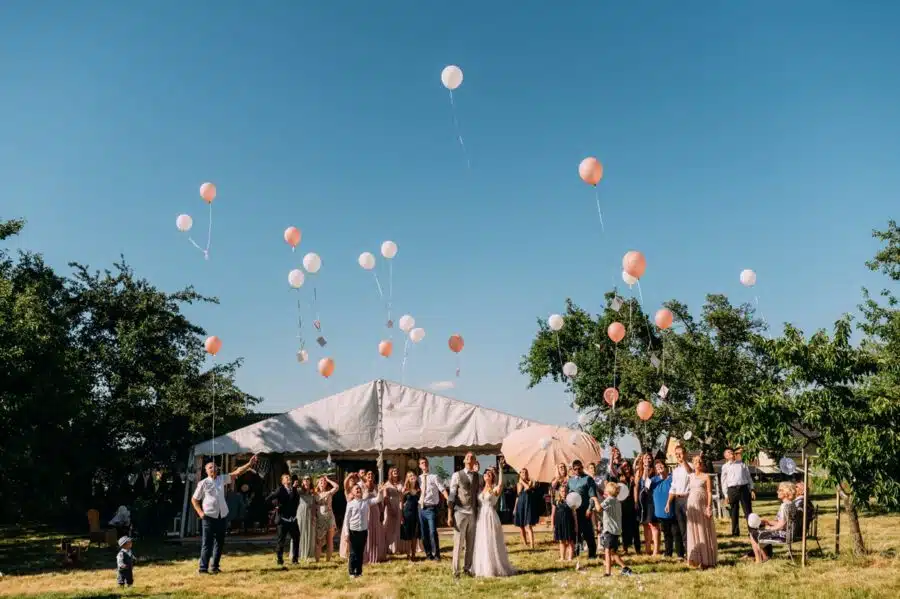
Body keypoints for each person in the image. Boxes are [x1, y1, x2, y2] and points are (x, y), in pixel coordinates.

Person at [191, 455, 258, 574]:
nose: (213, 469)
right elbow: (194, 500)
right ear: (206, 471)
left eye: (215, 467)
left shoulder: (222, 479)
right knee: (207, 543)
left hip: (221, 516)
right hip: (209, 517)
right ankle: (203, 568)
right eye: (210, 467)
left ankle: (215, 567)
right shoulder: (203, 483)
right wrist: (201, 513)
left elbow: (237, 472)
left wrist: (249, 464)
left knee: (219, 543)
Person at [471, 468, 516, 577]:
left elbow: (501, 483)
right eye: (486, 473)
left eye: (490, 474)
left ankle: (494, 567)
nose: (487, 475)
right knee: (482, 540)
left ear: (492, 477)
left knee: (491, 539)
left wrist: (501, 468)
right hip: (481, 516)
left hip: (490, 515)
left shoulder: (495, 488)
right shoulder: (480, 489)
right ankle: (482, 567)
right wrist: (475, 471)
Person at [449, 452, 483, 577]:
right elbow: (452, 495)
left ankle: (467, 568)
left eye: (472, 457)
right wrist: (449, 514)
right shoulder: (456, 475)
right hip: (460, 512)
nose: (470, 458)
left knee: (471, 544)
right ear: (464, 460)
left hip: (473, 513)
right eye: (467, 457)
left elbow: (481, 493)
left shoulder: (478, 477)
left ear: (475, 461)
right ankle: (455, 571)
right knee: (458, 543)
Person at [343, 483, 386, 578]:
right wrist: (346, 533)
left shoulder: (366, 502)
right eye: (356, 489)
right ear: (352, 493)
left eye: (359, 489)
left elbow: (377, 499)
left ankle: (358, 571)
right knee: (353, 552)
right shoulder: (350, 504)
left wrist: (380, 492)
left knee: (360, 552)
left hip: (363, 531)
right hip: (353, 531)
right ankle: (351, 572)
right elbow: (346, 519)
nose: (358, 490)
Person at [749, 482, 797, 563]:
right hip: (789, 532)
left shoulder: (784, 506)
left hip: (784, 535)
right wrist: (768, 522)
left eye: (780, 490)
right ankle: (764, 557)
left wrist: (770, 528)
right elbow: (784, 522)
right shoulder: (791, 504)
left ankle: (759, 559)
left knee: (753, 533)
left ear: (786, 492)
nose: (777, 492)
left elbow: (781, 525)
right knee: (758, 531)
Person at [686, 454, 718, 569]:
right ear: (693, 464)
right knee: (693, 530)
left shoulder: (706, 477)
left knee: (703, 530)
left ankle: (706, 558)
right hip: (691, 505)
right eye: (695, 461)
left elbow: (709, 492)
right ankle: (695, 558)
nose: (698, 463)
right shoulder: (690, 476)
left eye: (700, 461)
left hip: (702, 506)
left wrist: (709, 506)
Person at [597, 481, 634, 576]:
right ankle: (625, 568)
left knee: (607, 551)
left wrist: (594, 499)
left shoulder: (609, 500)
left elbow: (598, 509)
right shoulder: (616, 500)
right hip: (616, 530)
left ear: (608, 491)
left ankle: (607, 573)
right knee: (613, 552)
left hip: (609, 530)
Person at [266, 473, 301, 566]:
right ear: (282, 481)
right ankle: (280, 559)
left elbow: (294, 500)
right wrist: (276, 505)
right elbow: (269, 498)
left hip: (293, 519)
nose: (288, 478)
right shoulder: (280, 490)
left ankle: (295, 559)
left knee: (296, 538)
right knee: (281, 541)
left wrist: (294, 489)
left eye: (289, 477)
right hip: (283, 519)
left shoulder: (294, 489)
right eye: (286, 478)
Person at [566, 460, 598, 559]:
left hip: (585, 509)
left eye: (579, 468)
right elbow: (568, 495)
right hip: (574, 511)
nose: (577, 470)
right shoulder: (570, 481)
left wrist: (590, 508)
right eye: (575, 469)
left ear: (582, 467)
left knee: (588, 532)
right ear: (572, 469)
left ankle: (592, 554)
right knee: (576, 532)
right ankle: (576, 552)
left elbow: (593, 496)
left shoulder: (588, 479)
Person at [721, 447, 755, 536]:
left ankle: (751, 531)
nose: (731, 452)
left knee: (748, 511)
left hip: (743, 489)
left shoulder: (742, 464)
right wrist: (725, 495)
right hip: (732, 490)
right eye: (729, 452)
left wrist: (752, 489)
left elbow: (748, 477)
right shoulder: (725, 467)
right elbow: (723, 481)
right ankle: (735, 532)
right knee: (734, 511)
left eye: (732, 451)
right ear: (726, 456)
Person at [665, 445, 691, 559]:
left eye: (680, 453)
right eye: (676, 454)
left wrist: (684, 461)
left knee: (690, 526)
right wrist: (668, 503)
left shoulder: (690, 466)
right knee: (681, 527)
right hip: (677, 500)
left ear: (685, 454)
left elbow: (691, 474)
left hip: (688, 498)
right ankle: (685, 552)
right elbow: (673, 487)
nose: (678, 456)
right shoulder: (675, 471)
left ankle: (692, 551)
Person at [418, 457, 446, 561]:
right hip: (421, 509)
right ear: (419, 466)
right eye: (422, 463)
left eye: (425, 462)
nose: (424, 464)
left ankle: (437, 555)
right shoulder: (418, 478)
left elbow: (442, 489)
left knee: (433, 532)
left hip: (431, 509)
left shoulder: (434, 477)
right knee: (424, 533)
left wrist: (449, 500)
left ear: (428, 464)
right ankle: (428, 555)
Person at [361, 471, 387, 564]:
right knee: (367, 532)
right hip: (365, 512)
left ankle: (376, 554)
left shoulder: (376, 487)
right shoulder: (362, 487)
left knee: (376, 531)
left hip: (375, 511)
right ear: (365, 477)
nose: (370, 476)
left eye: (372, 474)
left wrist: (382, 512)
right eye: (368, 474)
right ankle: (366, 555)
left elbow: (380, 501)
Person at [649, 460, 673, 557]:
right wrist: (646, 469)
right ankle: (668, 552)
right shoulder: (654, 480)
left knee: (675, 532)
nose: (659, 467)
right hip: (660, 511)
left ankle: (680, 551)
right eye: (657, 466)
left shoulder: (672, 478)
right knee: (666, 533)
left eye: (661, 465)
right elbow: (644, 485)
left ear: (665, 466)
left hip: (672, 508)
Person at [313, 475, 340, 562]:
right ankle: (317, 560)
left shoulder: (329, 492)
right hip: (319, 517)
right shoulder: (314, 493)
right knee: (318, 540)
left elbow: (336, 487)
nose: (323, 482)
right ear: (318, 483)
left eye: (324, 481)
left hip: (329, 516)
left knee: (329, 540)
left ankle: (328, 560)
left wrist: (328, 479)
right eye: (321, 481)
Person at [634, 453, 655, 555]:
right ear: (642, 460)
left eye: (649, 458)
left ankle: (656, 549)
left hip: (652, 499)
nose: (647, 459)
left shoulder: (655, 470)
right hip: (642, 500)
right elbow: (636, 487)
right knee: (645, 524)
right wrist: (636, 501)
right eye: (645, 458)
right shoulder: (639, 471)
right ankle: (647, 548)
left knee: (653, 524)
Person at [618, 461, 641, 555]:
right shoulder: (620, 477)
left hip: (632, 503)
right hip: (623, 504)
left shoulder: (633, 476)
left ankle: (638, 548)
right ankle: (625, 548)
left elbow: (635, 489)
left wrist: (636, 502)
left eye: (627, 465)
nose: (626, 467)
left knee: (635, 528)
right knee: (624, 528)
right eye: (623, 466)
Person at [551, 482, 577, 561]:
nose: (564, 493)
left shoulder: (571, 501)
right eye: (562, 491)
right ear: (559, 492)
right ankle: (562, 557)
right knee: (561, 541)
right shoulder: (556, 502)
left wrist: (576, 525)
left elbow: (574, 514)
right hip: (560, 524)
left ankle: (570, 557)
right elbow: (553, 514)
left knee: (570, 541)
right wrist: (552, 525)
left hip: (569, 523)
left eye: (565, 491)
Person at [294, 475, 317, 562]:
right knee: (300, 532)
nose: (306, 481)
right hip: (301, 513)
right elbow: (293, 492)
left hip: (310, 514)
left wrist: (314, 516)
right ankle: (298, 553)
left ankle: (308, 553)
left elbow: (314, 504)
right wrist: (295, 486)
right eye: (305, 479)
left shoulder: (312, 492)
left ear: (310, 481)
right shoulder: (299, 490)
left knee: (309, 532)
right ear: (302, 481)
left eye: (308, 479)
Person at [513, 468, 538, 549]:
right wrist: (515, 508)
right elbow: (518, 496)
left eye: (525, 472)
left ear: (527, 474)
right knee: (521, 525)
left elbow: (527, 487)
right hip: (520, 504)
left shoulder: (530, 482)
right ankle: (525, 543)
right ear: (520, 474)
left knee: (528, 525)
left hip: (528, 505)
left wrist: (522, 481)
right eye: (522, 472)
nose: (523, 473)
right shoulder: (518, 484)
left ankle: (532, 545)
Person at [399, 471, 420, 561]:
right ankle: (408, 554)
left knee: (415, 534)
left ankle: (414, 554)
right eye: (410, 476)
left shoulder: (419, 489)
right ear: (407, 478)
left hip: (416, 513)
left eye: (413, 475)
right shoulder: (405, 490)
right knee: (408, 535)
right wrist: (401, 516)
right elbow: (401, 502)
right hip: (407, 513)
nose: (412, 477)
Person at [339, 472, 360, 560]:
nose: (352, 481)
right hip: (349, 514)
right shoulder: (347, 490)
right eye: (350, 480)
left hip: (357, 514)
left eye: (353, 480)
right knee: (347, 533)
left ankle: (356, 550)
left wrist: (358, 477)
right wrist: (349, 476)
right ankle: (346, 552)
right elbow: (345, 483)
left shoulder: (358, 490)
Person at [383, 467, 403, 554]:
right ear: (390, 473)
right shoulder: (386, 484)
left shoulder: (401, 483)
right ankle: (388, 547)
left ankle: (396, 548)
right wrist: (390, 508)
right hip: (390, 505)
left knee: (397, 526)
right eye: (394, 471)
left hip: (399, 505)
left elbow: (402, 496)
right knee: (389, 526)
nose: (395, 472)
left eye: (397, 471)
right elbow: (385, 498)